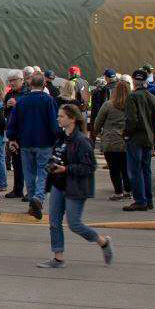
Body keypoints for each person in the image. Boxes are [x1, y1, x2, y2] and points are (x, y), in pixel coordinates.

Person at [38, 104, 115, 270]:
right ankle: (58, 258)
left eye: (62, 116)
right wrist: (51, 165)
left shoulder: (81, 141)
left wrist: (66, 168)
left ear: (72, 119)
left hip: (75, 187)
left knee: (74, 224)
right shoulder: (60, 137)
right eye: (58, 116)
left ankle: (103, 242)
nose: (58, 119)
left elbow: (89, 167)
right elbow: (56, 155)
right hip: (58, 184)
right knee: (54, 222)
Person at [5, 72, 60, 219]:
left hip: (26, 142)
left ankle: (31, 201)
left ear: (29, 84)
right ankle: (38, 198)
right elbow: (54, 123)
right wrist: (57, 138)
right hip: (44, 142)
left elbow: (13, 122)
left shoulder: (21, 101)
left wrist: (12, 138)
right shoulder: (49, 101)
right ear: (44, 85)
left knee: (29, 173)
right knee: (43, 172)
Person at [122, 70, 155, 212]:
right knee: (146, 169)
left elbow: (131, 119)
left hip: (136, 137)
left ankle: (140, 200)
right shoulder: (152, 97)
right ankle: (148, 199)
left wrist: (127, 134)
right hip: (149, 137)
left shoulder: (132, 97)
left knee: (135, 169)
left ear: (134, 80)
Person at [92, 80, 130, 200]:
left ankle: (118, 192)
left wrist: (95, 133)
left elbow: (98, 123)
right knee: (126, 168)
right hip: (126, 140)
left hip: (110, 140)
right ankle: (128, 190)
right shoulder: (131, 105)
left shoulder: (108, 105)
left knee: (114, 168)